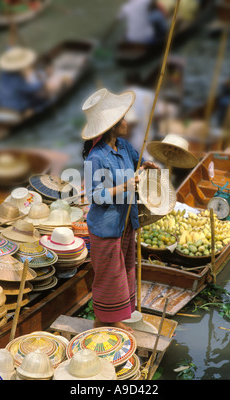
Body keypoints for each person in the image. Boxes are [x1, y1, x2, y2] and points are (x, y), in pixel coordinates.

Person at [82, 88, 159, 332]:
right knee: (109, 277)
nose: (127, 121)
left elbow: (136, 165)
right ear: (112, 125)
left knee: (125, 271)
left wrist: (146, 165)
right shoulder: (95, 158)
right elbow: (95, 196)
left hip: (126, 223)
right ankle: (107, 320)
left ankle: (117, 317)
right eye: (122, 119)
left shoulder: (124, 147)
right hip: (106, 226)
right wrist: (124, 186)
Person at [0, 46, 58, 115]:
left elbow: (9, 50)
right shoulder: (16, 80)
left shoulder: (3, 71)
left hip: (0, 101)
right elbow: (31, 89)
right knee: (50, 99)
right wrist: (43, 83)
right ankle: (29, 111)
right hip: (16, 107)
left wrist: (11, 49)